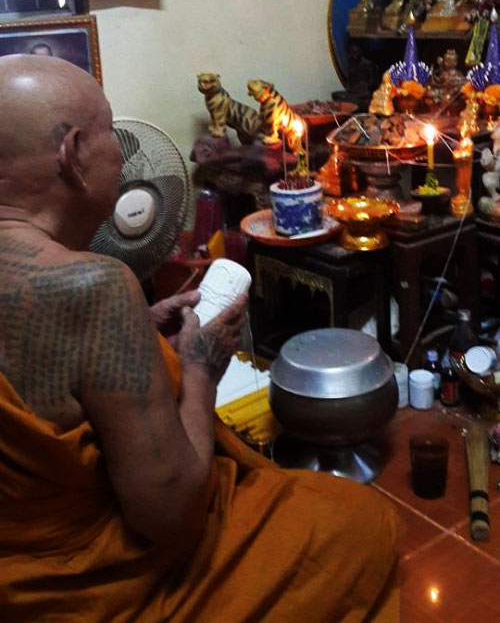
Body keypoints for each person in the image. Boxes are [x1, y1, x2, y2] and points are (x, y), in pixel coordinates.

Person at [0, 54, 401, 622]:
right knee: (361, 522)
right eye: (111, 133)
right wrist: (199, 369)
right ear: (73, 155)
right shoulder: (93, 285)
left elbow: (39, 367)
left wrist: (139, 330)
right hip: (88, 587)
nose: (124, 155)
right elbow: (171, 516)